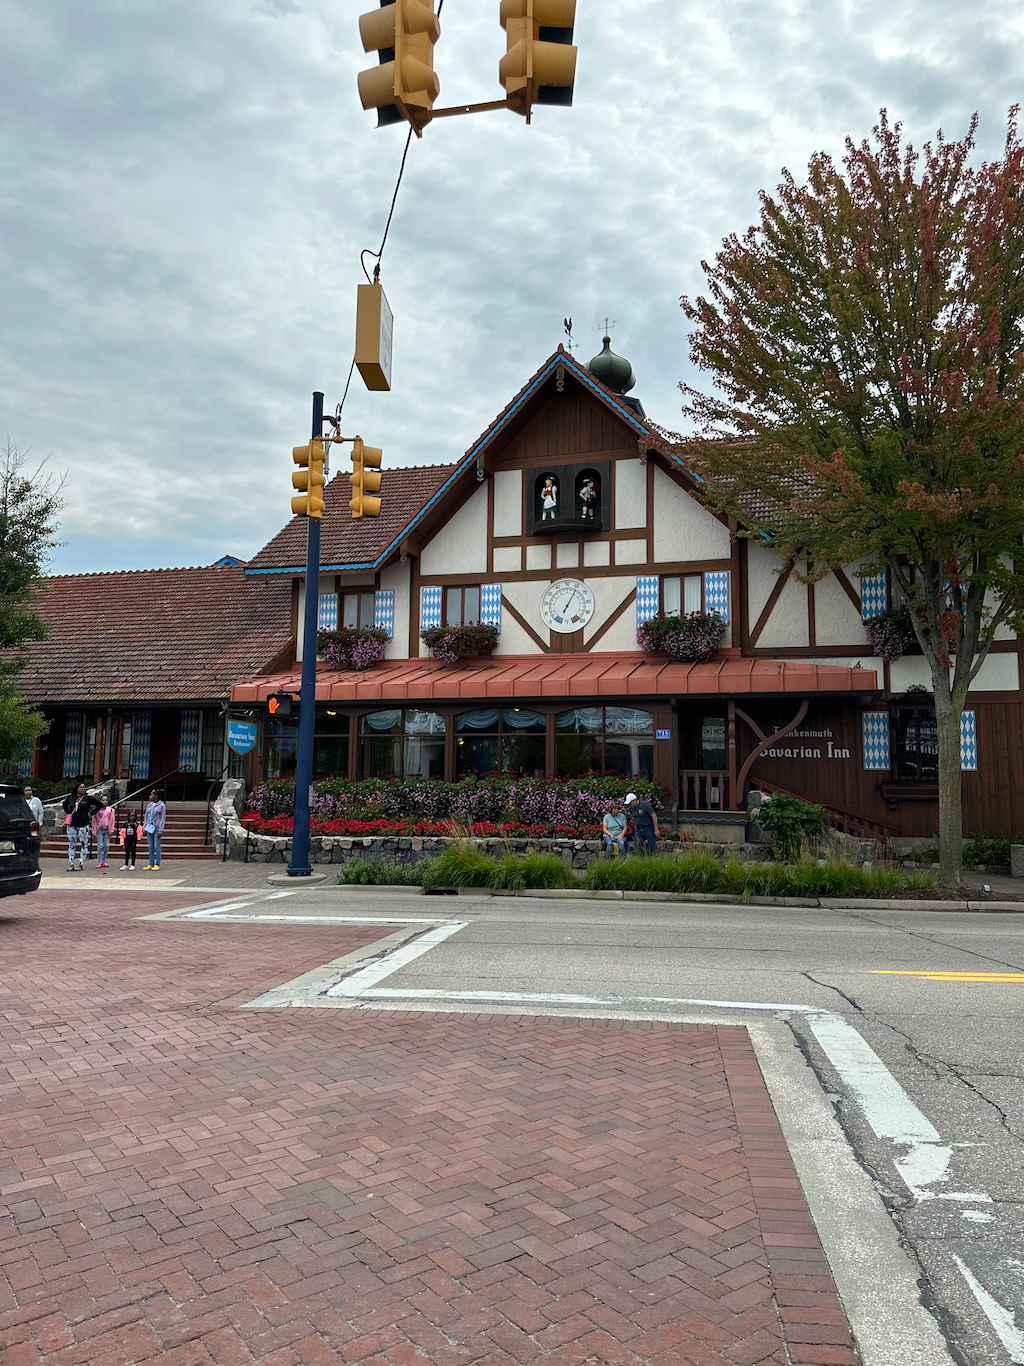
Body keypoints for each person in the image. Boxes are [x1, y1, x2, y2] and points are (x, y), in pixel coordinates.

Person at [62, 783, 101, 871]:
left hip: (84, 824)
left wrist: (91, 813)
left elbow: (99, 805)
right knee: (72, 844)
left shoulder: (88, 799)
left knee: (84, 844)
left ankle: (81, 863)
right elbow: (64, 804)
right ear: (76, 789)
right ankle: (71, 864)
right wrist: (68, 812)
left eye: (84, 787)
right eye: (81, 787)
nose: (83, 789)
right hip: (72, 824)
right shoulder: (70, 798)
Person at [625, 791, 659, 855]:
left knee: (652, 846)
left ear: (634, 800)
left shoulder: (644, 805)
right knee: (637, 845)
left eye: (630, 802)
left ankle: (654, 857)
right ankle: (640, 859)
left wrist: (656, 829)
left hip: (648, 827)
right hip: (639, 828)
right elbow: (634, 818)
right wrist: (635, 829)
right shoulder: (631, 808)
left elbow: (653, 816)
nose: (629, 804)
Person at [143, 789, 166, 870]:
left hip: (156, 827)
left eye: (152, 795)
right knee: (150, 846)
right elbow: (146, 817)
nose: (150, 796)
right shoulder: (149, 806)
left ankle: (157, 863)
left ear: (156, 796)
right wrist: (144, 828)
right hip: (149, 827)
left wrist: (160, 830)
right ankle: (151, 863)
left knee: (157, 845)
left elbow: (162, 818)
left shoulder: (162, 806)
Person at [92, 795, 116, 870]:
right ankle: (100, 861)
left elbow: (112, 820)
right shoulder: (97, 810)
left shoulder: (110, 810)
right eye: (103, 800)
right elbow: (94, 821)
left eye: (106, 800)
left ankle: (104, 859)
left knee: (106, 845)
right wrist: (94, 830)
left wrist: (111, 830)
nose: (105, 802)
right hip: (99, 829)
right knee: (100, 845)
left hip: (106, 829)